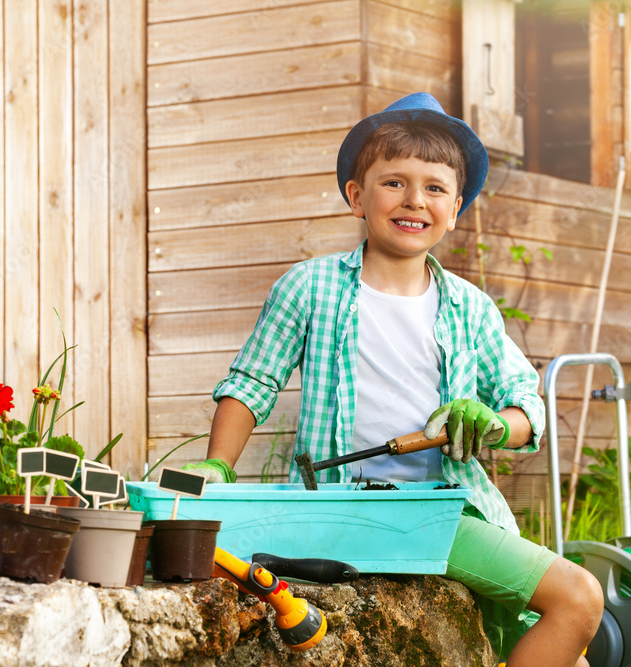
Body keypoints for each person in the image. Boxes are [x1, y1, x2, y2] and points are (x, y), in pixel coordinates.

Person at [183, 92, 603, 666]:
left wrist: (494, 424)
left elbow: (527, 409)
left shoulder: (471, 308)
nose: (414, 200)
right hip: (348, 511)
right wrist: (220, 466)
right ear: (357, 196)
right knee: (578, 597)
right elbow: (250, 384)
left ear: (456, 208)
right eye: (394, 182)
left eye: (434, 187)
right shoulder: (309, 288)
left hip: (439, 509)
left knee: (570, 652)